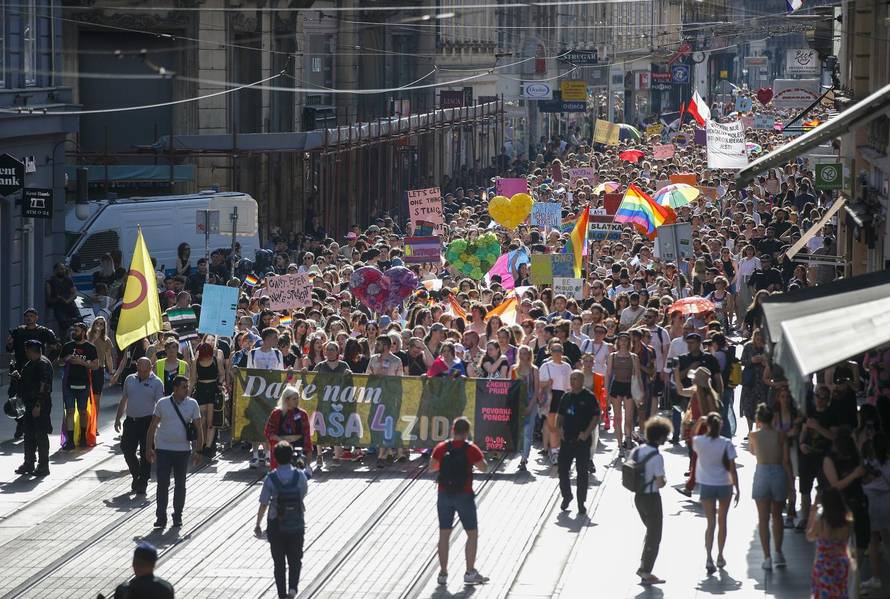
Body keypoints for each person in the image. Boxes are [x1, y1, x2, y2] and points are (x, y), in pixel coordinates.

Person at [430, 417, 489, 586]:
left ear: (452, 430)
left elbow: (432, 466)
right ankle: (470, 572)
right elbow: (484, 467)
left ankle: (443, 573)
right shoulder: (471, 449)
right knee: (471, 533)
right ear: (467, 432)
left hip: (444, 494)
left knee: (444, 534)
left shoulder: (442, 448)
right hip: (464, 494)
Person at [254, 441, 311, 599]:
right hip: (296, 522)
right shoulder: (299, 475)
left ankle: (281, 594)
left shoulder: (271, 478)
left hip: (276, 523)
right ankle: (293, 588)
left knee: (278, 562)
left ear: (276, 458)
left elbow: (264, 503)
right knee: (295, 558)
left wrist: (258, 524)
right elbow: (303, 492)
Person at [146, 375, 204, 529]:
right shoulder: (162, 403)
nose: (187, 389)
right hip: (163, 449)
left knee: (180, 484)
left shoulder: (193, 404)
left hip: (183, 451)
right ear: (175, 388)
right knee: (162, 484)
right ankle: (161, 516)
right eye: (184, 387)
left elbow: (199, 427)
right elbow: (152, 427)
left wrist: (199, 450)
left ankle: (177, 515)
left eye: (188, 386)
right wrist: (148, 448)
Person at [692, 412, 740, 575]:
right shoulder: (726, 443)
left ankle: (708, 557)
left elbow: (692, 436)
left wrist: (699, 422)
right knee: (722, 521)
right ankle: (720, 555)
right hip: (724, 484)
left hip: (706, 485)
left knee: (710, 523)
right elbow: (733, 469)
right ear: (721, 426)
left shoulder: (700, 442)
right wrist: (737, 488)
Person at [6, 308, 58, 440]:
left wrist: (47, 361)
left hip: (37, 370)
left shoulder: (43, 332)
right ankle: (21, 423)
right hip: (20, 370)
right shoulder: (18, 331)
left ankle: (38, 426)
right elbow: (10, 348)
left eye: (31, 316)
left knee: (37, 397)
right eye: (27, 316)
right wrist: (9, 344)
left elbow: (56, 347)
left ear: (36, 317)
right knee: (15, 397)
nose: (29, 318)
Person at [748, 403, 789, 570]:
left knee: (763, 518)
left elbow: (752, 452)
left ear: (758, 419)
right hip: (778, 471)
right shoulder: (781, 435)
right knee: (778, 516)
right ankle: (778, 552)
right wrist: (791, 486)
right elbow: (786, 461)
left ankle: (767, 557)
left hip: (762, 472)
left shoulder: (754, 435)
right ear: (773, 418)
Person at [115, 357, 165, 494]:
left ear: (150, 368)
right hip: (131, 420)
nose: (142, 373)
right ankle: (136, 473)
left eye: (145, 370)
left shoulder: (156, 383)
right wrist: (118, 418)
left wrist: (159, 423)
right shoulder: (129, 379)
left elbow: (160, 404)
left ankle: (143, 481)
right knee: (126, 449)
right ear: (136, 367)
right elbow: (124, 399)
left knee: (146, 452)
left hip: (148, 422)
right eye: (139, 370)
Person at [632, 416, 672, 586]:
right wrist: (664, 480)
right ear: (660, 437)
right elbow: (660, 482)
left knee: (650, 532)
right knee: (655, 535)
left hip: (638, 497)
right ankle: (646, 571)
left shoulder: (638, 450)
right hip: (652, 498)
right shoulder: (656, 457)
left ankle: (644, 565)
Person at [556, 370, 601, 514]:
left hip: (582, 440)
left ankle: (581, 502)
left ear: (582, 381)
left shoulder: (589, 397)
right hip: (567, 439)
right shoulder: (566, 396)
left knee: (582, 472)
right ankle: (567, 496)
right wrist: (559, 429)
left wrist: (587, 433)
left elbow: (596, 416)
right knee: (562, 470)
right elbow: (560, 414)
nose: (572, 381)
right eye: (571, 379)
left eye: (575, 379)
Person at [12, 340, 53, 476]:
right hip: (28, 403)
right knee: (29, 434)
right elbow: (28, 381)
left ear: (31, 350)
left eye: (27, 350)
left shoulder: (42, 364)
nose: (25, 352)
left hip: (39, 404)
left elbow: (44, 385)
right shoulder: (30, 363)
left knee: (40, 434)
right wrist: (18, 377)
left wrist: (38, 405)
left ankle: (43, 465)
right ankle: (29, 463)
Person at [59, 322, 99, 449]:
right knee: (69, 411)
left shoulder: (91, 348)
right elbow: (59, 362)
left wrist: (82, 362)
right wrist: (66, 359)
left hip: (84, 384)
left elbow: (96, 365)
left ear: (83, 332)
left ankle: (82, 437)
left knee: (82, 411)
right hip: (68, 384)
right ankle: (70, 440)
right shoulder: (67, 346)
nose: (73, 332)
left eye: (76, 330)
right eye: (73, 330)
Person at [807, 488, 851, 599]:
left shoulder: (821, 521)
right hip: (841, 562)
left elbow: (809, 536)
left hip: (824, 563)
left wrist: (813, 509)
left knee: (823, 593)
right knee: (840, 592)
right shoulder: (847, 521)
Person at [605, 332, 641, 451]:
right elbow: (608, 374)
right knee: (617, 417)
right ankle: (620, 444)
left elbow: (637, 375)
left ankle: (628, 438)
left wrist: (640, 392)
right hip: (617, 386)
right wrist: (606, 391)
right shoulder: (613, 356)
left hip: (629, 386)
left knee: (629, 417)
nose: (623, 342)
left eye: (626, 340)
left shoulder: (634, 357)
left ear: (629, 342)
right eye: (621, 340)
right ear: (618, 342)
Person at [539, 343, 573, 465]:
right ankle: (554, 452)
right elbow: (539, 384)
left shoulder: (567, 366)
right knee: (552, 426)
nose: (557, 353)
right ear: (550, 352)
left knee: (562, 427)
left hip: (563, 397)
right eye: (554, 350)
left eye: (559, 350)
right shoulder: (545, 366)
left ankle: (560, 450)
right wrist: (547, 383)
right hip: (551, 397)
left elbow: (569, 386)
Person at [264, 386, 313, 469]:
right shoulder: (276, 413)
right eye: (294, 399)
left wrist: (308, 462)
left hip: (298, 448)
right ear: (286, 399)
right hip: (281, 450)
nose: (297, 401)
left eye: (298, 398)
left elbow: (307, 437)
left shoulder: (302, 414)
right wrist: (282, 441)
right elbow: (268, 432)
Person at [512, 345, 540, 472]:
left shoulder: (534, 370)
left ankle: (524, 458)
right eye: (521, 353)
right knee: (519, 431)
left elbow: (536, 390)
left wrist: (530, 406)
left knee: (528, 431)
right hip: (517, 402)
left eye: (526, 353)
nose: (523, 356)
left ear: (529, 355)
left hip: (530, 401)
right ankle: (520, 452)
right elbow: (509, 387)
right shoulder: (513, 369)